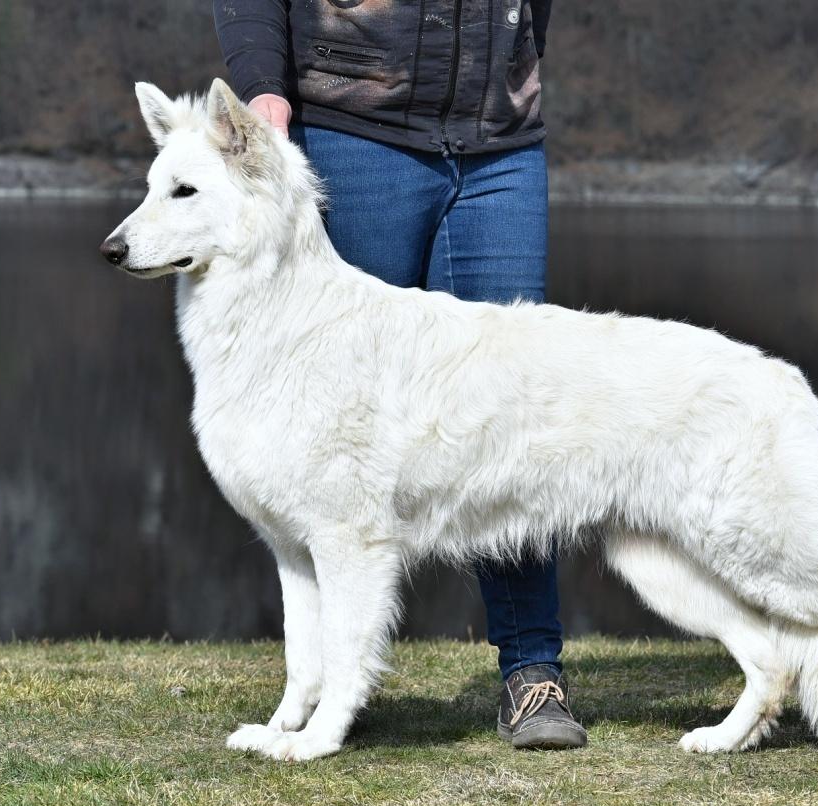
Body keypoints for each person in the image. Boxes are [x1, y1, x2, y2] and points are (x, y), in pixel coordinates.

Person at [213, 0, 586, 750]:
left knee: (512, 420)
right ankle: (330, 688)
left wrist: (511, 56)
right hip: (356, 132)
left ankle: (532, 673)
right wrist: (264, 88)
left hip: (500, 145)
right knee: (332, 449)